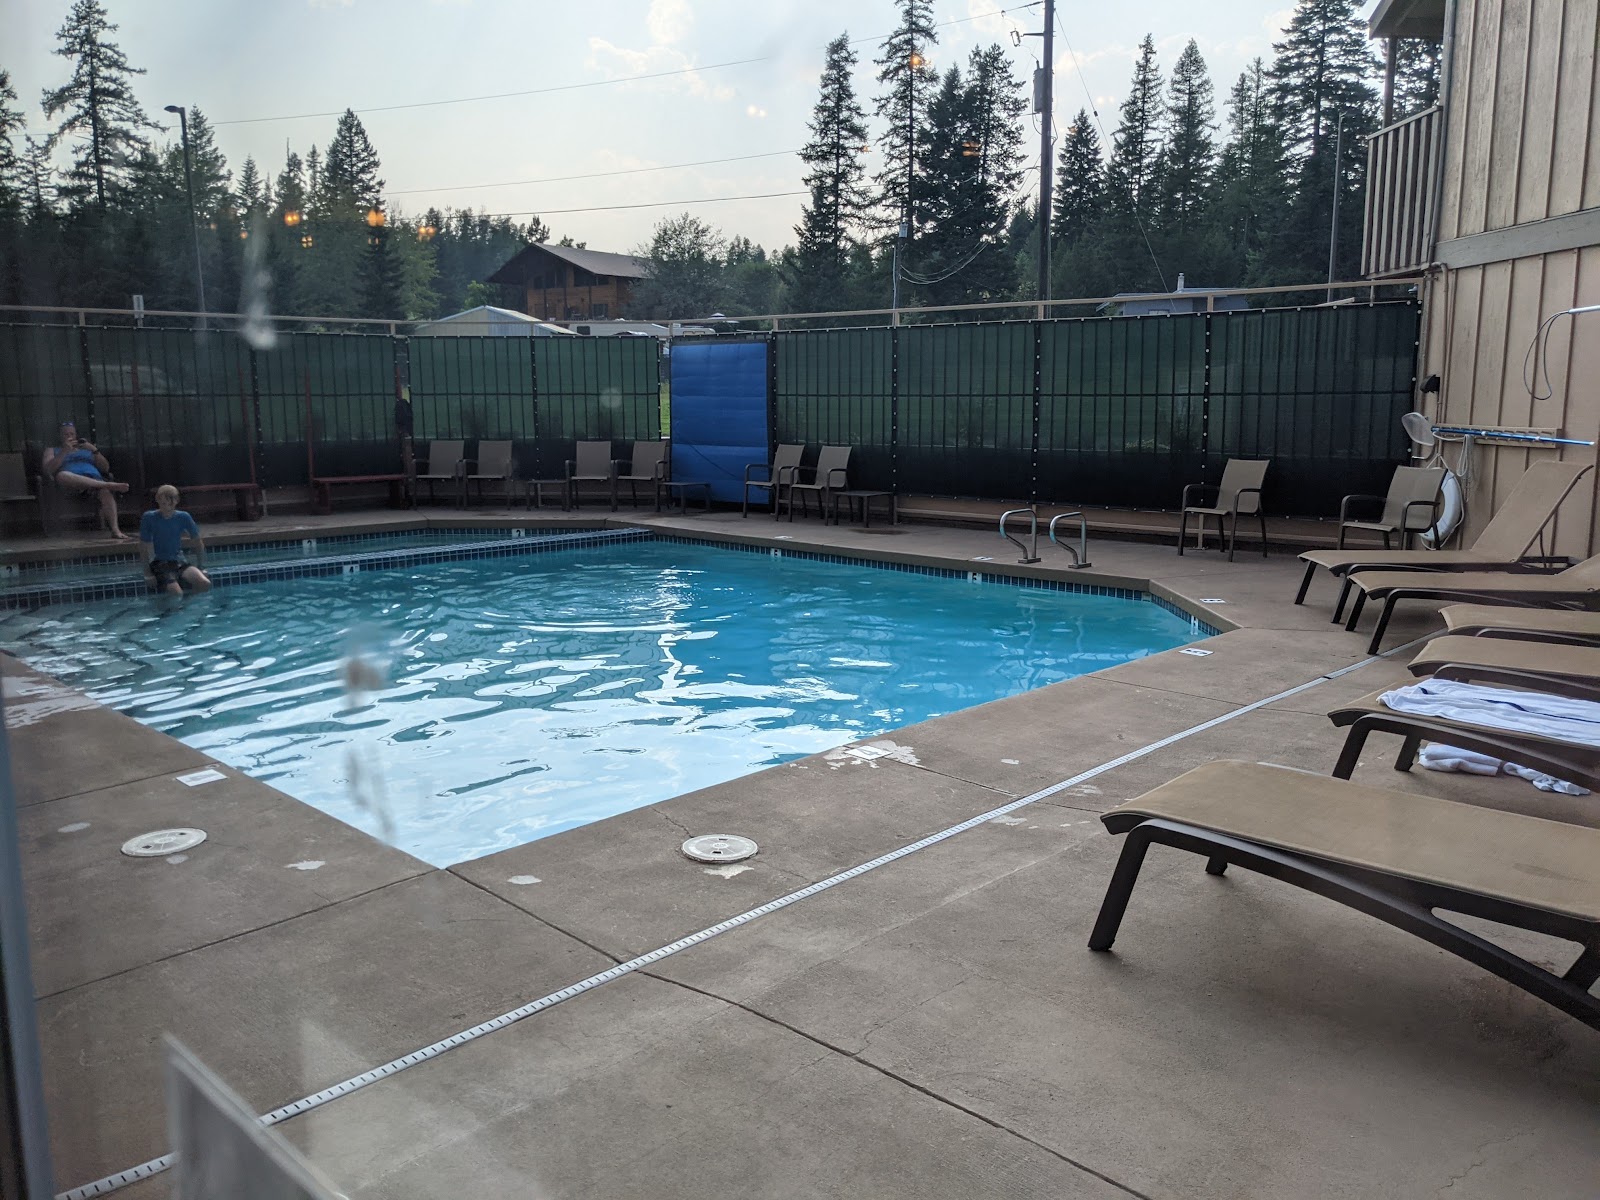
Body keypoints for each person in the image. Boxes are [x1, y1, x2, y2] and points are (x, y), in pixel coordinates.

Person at [41, 420, 130, 540]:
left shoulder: (86, 449)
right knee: (62, 475)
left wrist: (94, 450)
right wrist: (64, 452)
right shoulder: (52, 450)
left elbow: (105, 468)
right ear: (60, 436)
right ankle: (109, 484)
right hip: (70, 485)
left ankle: (116, 530)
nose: (70, 437)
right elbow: (48, 470)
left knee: (105, 492)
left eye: (72, 434)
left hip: (94, 482)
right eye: (66, 434)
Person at [139, 485, 212, 595]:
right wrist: (147, 573)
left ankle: (191, 608)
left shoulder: (183, 517)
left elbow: (197, 542)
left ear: (176, 501)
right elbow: (143, 546)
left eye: (170, 504)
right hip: (160, 563)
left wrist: (201, 566)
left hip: (179, 561)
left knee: (204, 583)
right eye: (163, 503)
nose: (167, 508)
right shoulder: (149, 518)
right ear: (157, 500)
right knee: (176, 593)